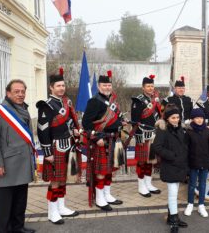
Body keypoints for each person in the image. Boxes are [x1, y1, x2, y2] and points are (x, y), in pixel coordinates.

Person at [0, 79, 36, 233]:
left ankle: (18, 226)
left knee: (21, 199)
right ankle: (3, 229)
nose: (20, 94)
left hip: (23, 162)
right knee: (5, 201)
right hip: (7, 164)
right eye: (16, 91)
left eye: (22, 91)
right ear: (8, 93)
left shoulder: (24, 109)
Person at [36, 68, 80, 224]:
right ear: (51, 87)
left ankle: (61, 207)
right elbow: (42, 131)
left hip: (68, 145)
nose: (61, 88)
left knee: (63, 179)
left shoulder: (66, 102)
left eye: (63, 85)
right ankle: (52, 211)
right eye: (58, 86)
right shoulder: (45, 105)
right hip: (55, 147)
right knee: (55, 181)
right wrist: (47, 152)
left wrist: (74, 130)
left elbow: (68, 123)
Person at [82, 71, 124, 211]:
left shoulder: (112, 100)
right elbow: (86, 123)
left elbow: (115, 118)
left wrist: (120, 122)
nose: (107, 87)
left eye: (109, 85)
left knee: (109, 169)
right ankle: (100, 199)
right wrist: (97, 138)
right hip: (101, 141)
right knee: (101, 171)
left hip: (113, 138)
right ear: (99, 86)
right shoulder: (94, 101)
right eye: (104, 85)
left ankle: (107, 194)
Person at [152, 104, 188, 233]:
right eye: (173, 117)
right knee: (173, 195)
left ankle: (172, 217)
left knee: (175, 193)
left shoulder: (179, 129)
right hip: (170, 165)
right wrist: (172, 156)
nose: (176, 120)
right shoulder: (163, 130)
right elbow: (157, 147)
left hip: (180, 165)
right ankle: (173, 221)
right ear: (167, 118)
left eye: (178, 117)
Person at [131, 74, 161, 197]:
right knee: (142, 162)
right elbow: (135, 121)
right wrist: (138, 136)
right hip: (142, 135)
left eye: (152, 86)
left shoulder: (155, 100)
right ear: (143, 87)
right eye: (148, 86)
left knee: (151, 161)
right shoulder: (138, 100)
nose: (150, 88)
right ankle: (141, 185)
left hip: (153, 135)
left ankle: (148, 184)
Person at [184, 108, 209, 218]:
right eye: (197, 118)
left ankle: (201, 205)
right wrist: (187, 165)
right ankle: (190, 204)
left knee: (203, 184)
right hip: (193, 163)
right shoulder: (189, 132)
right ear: (193, 119)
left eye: (201, 118)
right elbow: (186, 149)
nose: (199, 120)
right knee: (192, 185)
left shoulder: (208, 132)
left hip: (205, 163)